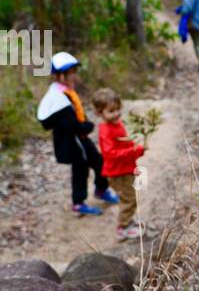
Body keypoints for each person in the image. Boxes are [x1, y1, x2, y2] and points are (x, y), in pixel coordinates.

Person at [36, 52, 120, 216]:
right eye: (71, 72)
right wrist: (88, 126)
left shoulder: (65, 91)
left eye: (74, 71)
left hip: (80, 139)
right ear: (60, 76)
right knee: (80, 170)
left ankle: (101, 189)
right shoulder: (58, 98)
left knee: (98, 161)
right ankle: (78, 202)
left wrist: (84, 125)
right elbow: (73, 125)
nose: (74, 76)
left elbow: (76, 113)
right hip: (72, 142)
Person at [92, 87, 146, 239]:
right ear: (99, 113)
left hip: (126, 168)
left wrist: (137, 150)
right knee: (128, 199)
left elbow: (125, 144)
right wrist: (134, 151)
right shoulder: (106, 130)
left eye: (117, 109)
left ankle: (128, 221)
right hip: (117, 172)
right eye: (110, 111)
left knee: (129, 198)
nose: (115, 113)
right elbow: (110, 154)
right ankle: (123, 228)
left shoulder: (117, 124)